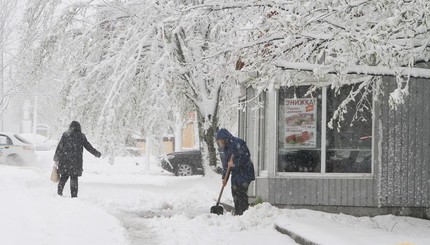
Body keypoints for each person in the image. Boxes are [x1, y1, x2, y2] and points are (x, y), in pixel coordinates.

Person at [54, 121, 101, 198]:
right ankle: (74, 195)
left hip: (64, 160)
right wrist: (96, 153)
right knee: (74, 178)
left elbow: (59, 147)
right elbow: (88, 146)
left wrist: (56, 158)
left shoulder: (65, 135)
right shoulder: (81, 136)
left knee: (64, 176)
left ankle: (59, 191)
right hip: (75, 162)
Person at [216, 128, 255, 215]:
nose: (220, 144)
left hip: (245, 171)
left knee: (241, 192)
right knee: (234, 192)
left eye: (221, 141)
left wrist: (235, 163)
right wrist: (224, 178)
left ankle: (243, 212)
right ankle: (238, 211)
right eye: (219, 142)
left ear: (225, 139)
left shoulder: (238, 143)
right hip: (236, 173)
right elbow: (227, 165)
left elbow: (246, 156)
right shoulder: (226, 149)